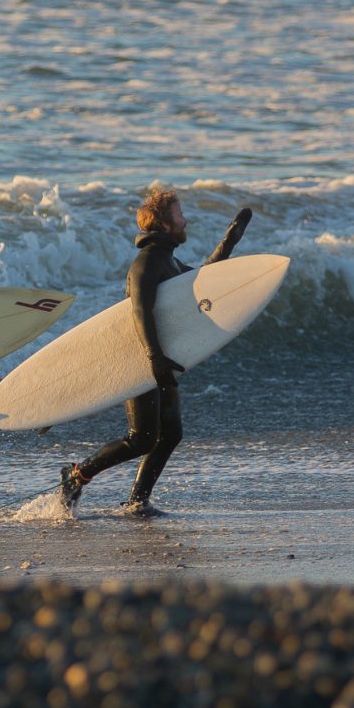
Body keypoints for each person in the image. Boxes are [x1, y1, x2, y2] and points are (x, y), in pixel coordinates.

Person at [59, 190, 252, 516]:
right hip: (141, 358)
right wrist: (153, 359)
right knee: (142, 438)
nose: (185, 220)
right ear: (164, 224)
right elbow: (140, 312)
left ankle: (137, 502)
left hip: (162, 358)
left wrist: (228, 244)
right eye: (179, 215)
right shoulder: (146, 263)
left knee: (170, 434)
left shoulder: (169, 261)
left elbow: (202, 281)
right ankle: (76, 475)